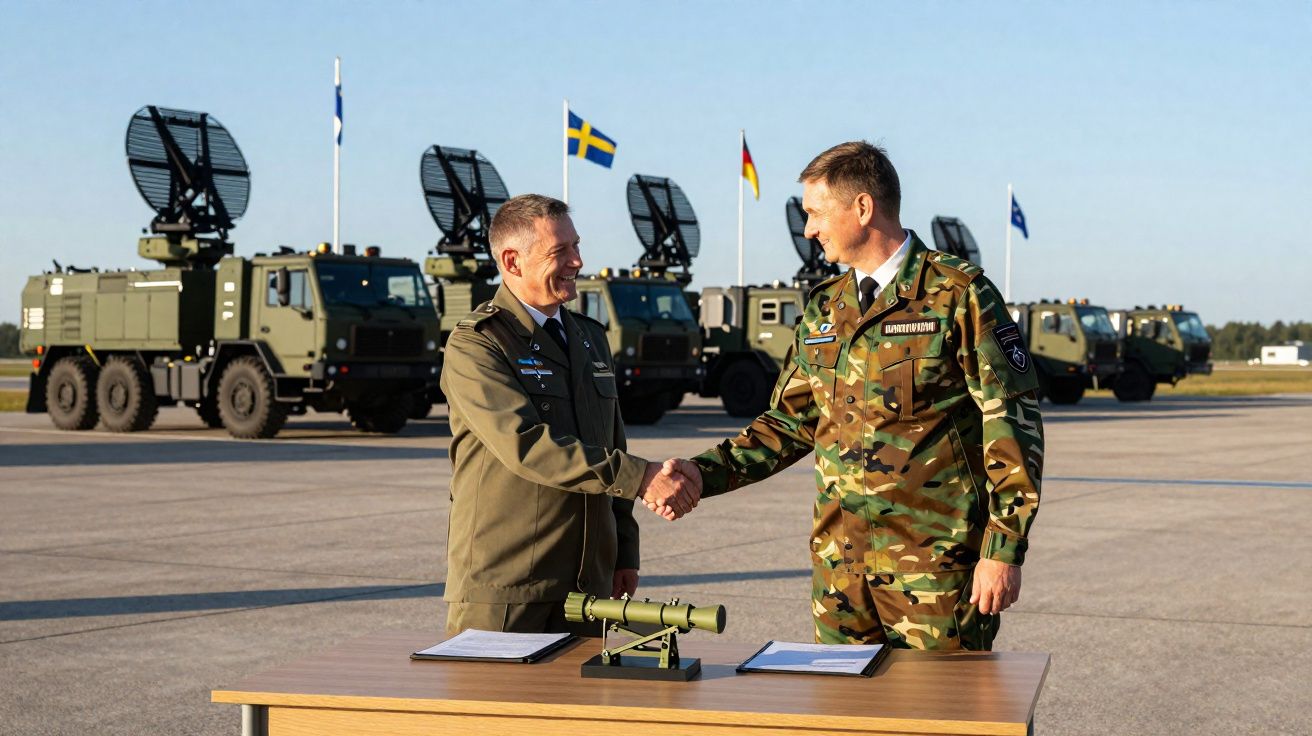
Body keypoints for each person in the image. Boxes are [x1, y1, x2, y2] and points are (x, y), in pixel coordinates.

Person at [658, 142, 1044, 651]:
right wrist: (702, 472)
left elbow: (1011, 423)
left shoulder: (958, 294)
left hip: (934, 571)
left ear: (862, 208)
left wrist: (1003, 549)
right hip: (841, 575)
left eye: (815, 213)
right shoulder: (825, 308)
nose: (808, 230)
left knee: (938, 720)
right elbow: (791, 423)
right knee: (842, 716)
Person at [441, 194, 699, 635]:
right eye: (561, 251)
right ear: (512, 260)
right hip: (509, 584)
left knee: (579, 704)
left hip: (588, 586)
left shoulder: (589, 338)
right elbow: (526, 444)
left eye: (577, 247)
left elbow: (611, 444)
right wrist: (643, 477)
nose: (578, 262)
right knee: (492, 704)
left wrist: (623, 551)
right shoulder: (477, 345)